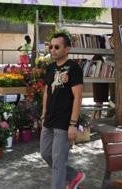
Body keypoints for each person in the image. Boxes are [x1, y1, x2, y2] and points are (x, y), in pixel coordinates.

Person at [40, 32, 85, 189]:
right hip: (49, 119)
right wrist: (44, 113)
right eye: (50, 46)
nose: (52, 50)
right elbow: (47, 91)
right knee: (45, 153)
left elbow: (78, 97)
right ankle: (74, 176)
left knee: (58, 163)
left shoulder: (74, 68)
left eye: (57, 47)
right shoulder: (50, 68)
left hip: (64, 121)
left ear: (67, 49)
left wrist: (73, 124)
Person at [91, 54, 108, 119]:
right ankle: (95, 117)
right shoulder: (102, 65)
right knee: (99, 103)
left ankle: (96, 117)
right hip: (101, 85)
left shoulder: (93, 65)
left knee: (99, 103)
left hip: (98, 85)